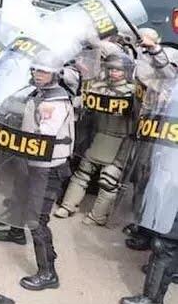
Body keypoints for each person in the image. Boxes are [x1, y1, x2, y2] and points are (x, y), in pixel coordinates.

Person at [0, 51, 75, 291]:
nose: (38, 75)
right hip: (31, 161)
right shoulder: (38, 94)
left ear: (55, 74)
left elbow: (44, 133)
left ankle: (48, 273)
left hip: (47, 168)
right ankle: (16, 233)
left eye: (44, 71)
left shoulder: (54, 102)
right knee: (18, 199)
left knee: (36, 219)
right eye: (36, 70)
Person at [54, 52, 134, 224]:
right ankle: (68, 206)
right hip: (98, 135)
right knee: (82, 173)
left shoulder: (132, 93)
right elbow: (80, 104)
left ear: (126, 72)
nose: (113, 73)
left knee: (109, 179)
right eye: (111, 69)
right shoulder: (97, 86)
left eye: (118, 70)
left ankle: (98, 216)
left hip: (121, 139)